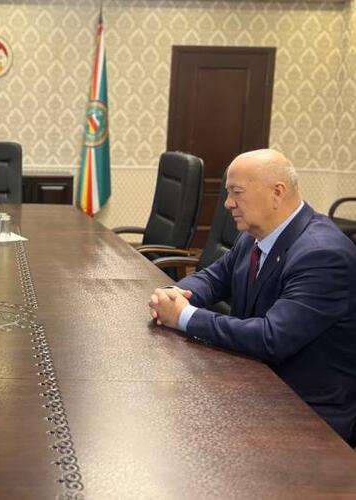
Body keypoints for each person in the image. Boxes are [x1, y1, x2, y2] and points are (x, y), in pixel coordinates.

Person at [149, 149, 356, 446]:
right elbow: (213, 278)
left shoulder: (322, 254)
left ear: (277, 193)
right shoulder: (254, 236)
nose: (228, 203)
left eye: (237, 192)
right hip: (257, 383)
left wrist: (184, 316)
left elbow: (271, 338)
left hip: (306, 414)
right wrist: (174, 295)